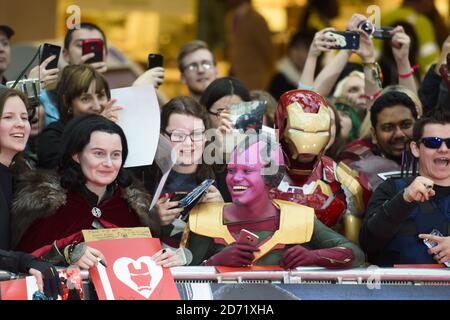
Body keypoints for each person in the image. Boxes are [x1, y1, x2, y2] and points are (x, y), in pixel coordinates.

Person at [11, 114, 185, 269]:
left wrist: (172, 256)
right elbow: (24, 262)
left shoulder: (134, 207)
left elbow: (148, 260)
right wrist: (66, 253)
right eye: (99, 153)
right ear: (76, 155)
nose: (109, 163)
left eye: (116, 155)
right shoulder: (45, 203)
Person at [183, 135, 364, 268]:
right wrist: (214, 263)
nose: (235, 178)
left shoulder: (298, 218)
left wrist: (314, 256)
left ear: (271, 177)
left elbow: (355, 254)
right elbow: (182, 281)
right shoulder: (205, 220)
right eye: (231, 170)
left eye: (247, 171)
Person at [271, 89, 370, 244]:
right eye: (300, 129)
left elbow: (354, 249)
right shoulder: (257, 173)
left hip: (327, 260)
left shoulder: (344, 182)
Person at [360, 109, 450, 266]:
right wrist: (404, 199)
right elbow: (368, 243)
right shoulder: (391, 188)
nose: (443, 149)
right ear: (415, 148)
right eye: (433, 142)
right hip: (396, 289)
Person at [139, 96, 226, 248]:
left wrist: (221, 211)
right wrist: (151, 220)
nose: (188, 143)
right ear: (161, 136)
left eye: (196, 134)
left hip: (204, 267)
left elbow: (240, 233)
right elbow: (123, 232)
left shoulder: (224, 174)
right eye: (178, 135)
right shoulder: (142, 176)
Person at [37, 64, 121, 169]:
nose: (97, 106)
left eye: (100, 96)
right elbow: (65, 173)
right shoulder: (53, 136)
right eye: (85, 99)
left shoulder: (115, 128)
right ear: (67, 102)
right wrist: (95, 129)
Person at [339, 91, 419, 190]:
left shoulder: (436, 160)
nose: (399, 134)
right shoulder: (358, 172)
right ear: (374, 134)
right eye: (388, 128)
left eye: (406, 125)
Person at [225, 0, 274, 90]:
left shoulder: (257, 19)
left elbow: (268, 50)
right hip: (236, 76)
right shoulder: (231, 17)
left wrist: (269, 76)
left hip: (255, 79)